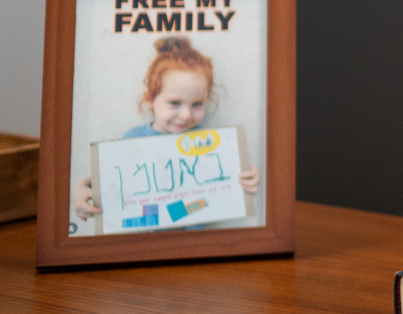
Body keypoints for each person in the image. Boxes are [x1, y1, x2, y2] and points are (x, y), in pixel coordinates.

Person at [72, 36, 261, 223]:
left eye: (197, 104)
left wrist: (246, 178)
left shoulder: (208, 142)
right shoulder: (132, 139)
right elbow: (114, 183)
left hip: (195, 246)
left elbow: (222, 187)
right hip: (145, 244)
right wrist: (82, 188)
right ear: (150, 99)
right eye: (175, 103)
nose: (186, 115)